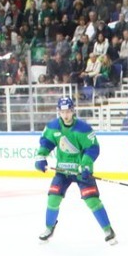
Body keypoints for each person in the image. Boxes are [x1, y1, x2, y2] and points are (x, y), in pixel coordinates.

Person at [34, 95, 116, 245]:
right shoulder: (53, 127)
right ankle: (49, 228)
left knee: (92, 200)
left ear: (73, 111)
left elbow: (92, 148)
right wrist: (41, 156)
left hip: (80, 171)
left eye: (68, 111)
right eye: (62, 112)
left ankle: (108, 230)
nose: (65, 115)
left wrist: (86, 166)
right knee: (53, 198)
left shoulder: (83, 129)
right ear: (59, 111)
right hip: (62, 171)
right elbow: (46, 143)